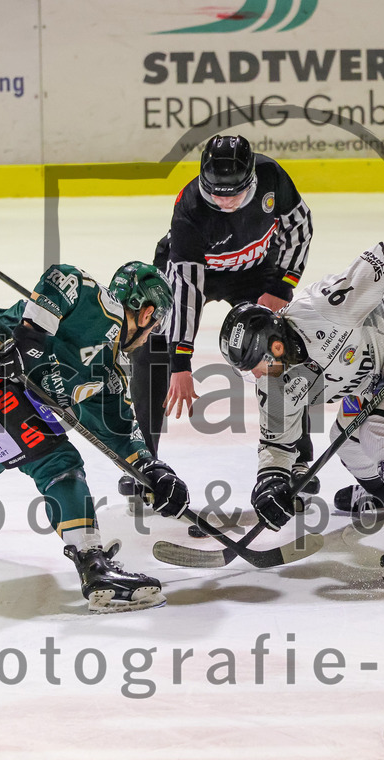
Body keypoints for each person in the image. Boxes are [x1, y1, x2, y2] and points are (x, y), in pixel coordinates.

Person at [0, 261, 190, 614]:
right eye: (154, 327)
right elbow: (61, 276)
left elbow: (121, 432)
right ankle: (96, 568)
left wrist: (151, 471)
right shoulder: (100, 304)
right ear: (146, 314)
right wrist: (29, 341)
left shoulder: (107, 375)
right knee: (57, 461)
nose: (148, 337)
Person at [218, 239, 384, 582]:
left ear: (276, 342)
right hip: (380, 377)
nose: (256, 375)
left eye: (257, 364)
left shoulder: (323, 309)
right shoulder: (273, 385)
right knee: (345, 439)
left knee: (379, 430)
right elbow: (276, 446)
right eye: (247, 370)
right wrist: (270, 482)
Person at [123, 133, 317, 511]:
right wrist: (180, 361)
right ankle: (142, 461)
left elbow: (300, 228)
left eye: (234, 193)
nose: (225, 201)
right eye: (216, 193)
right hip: (194, 272)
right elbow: (187, 291)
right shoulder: (190, 210)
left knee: (280, 350)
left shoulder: (272, 176)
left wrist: (282, 285)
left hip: (256, 269)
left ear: (252, 182)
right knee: (151, 350)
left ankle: (296, 458)